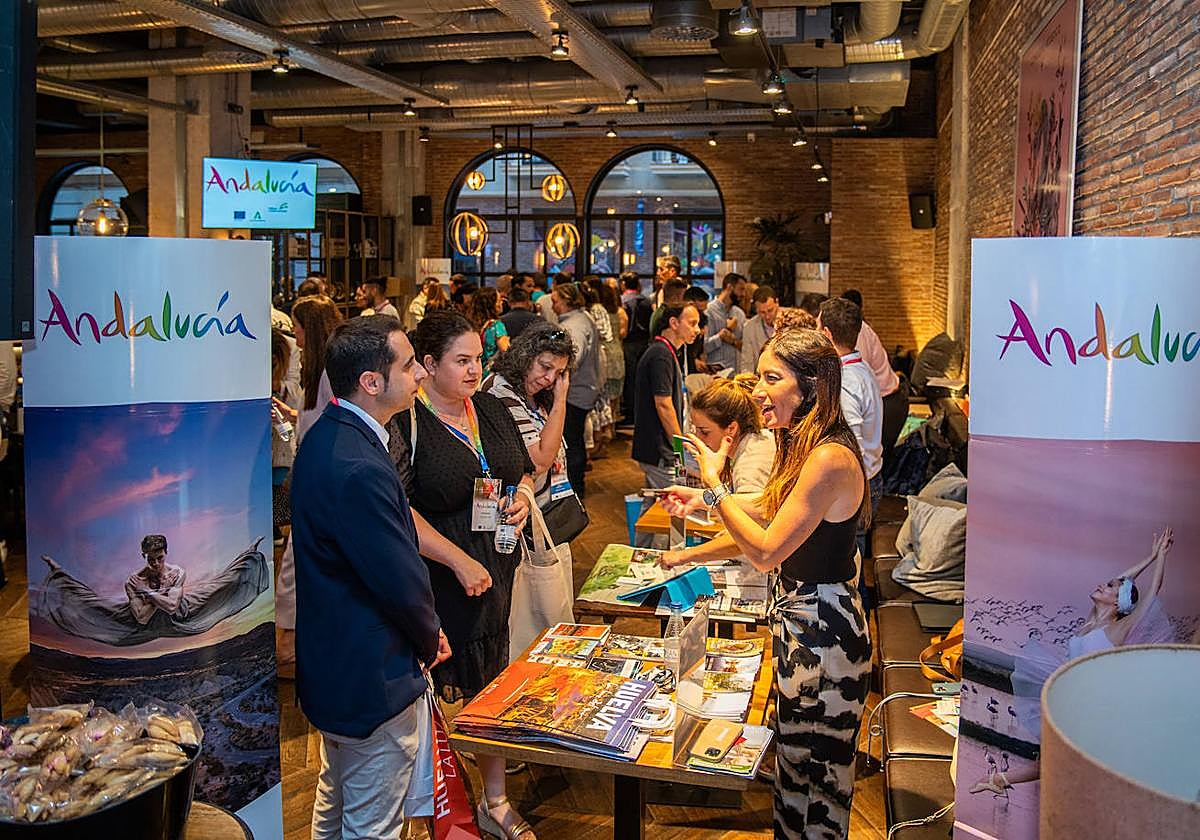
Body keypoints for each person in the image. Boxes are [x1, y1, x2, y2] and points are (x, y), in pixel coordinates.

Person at [658, 328, 872, 839]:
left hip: (825, 636)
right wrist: (703, 503)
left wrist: (714, 487)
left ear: (810, 385)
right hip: (805, 626)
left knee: (816, 781)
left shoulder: (829, 457)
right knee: (795, 766)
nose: (757, 391)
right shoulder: (805, 444)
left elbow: (765, 550)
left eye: (771, 378)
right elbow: (773, 510)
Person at [289, 315, 449, 839]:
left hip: (333, 664)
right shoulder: (358, 463)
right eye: (408, 365)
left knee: (335, 798)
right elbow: (397, 577)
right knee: (372, 824)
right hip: (370, 674)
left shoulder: (327, 434)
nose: (420, 374)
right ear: (371, 381)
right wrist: (429, 637)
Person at [396, 312, 537, 840]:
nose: (475, 370)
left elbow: (524, 469)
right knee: (425, 695)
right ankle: (426, 808)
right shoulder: (409, 421)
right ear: (428, 364)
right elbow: (398, 509)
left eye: (478, 358)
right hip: (437, 579)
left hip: (495, 569)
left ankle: (493, 801)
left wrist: (524, 497)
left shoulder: (491, 408)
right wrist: (456, 559)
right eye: (462, 361)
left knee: (491, 684)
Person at [979, 528, 1181, 797]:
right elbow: (1125, 582)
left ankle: (1001, 780)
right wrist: (1149, 557)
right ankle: (999, 780)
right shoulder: (1091, 622)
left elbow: (1151, 592)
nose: (1103, 585)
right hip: (1070, 695)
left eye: (1109, 587)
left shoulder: (1117, 630)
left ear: (1118, 603)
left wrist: (1161, 557)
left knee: (1061, 758)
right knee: (1055, 757)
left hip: (1092, 705)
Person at [273, 295, 342, 673]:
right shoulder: (318, 371)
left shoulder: (329, 371)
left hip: (319, 478)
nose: (294, 336)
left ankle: (289, 641)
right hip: (316, 474)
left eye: (298, 328)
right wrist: (291, 414)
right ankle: (292, 638)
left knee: (297, 558)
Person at [40, 535, 269, 647]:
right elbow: (141, 618)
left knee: (218, 586)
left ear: (166, 553)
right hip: (140, 626)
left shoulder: (177, 572)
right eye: (151, 559)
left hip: (182, 615)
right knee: (98, 606)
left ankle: (248, 556)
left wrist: (147, 594)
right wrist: (151, 592)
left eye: (160, 558)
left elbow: (172, 607)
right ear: (143, 556)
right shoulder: (133, 581)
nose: (156, 564)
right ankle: (60, 575)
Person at [656, 376, 776, 567]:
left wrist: (684, 556)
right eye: (695, 429)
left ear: (731, 429)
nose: (697, 438)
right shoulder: (751, 443)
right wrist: (699, 497)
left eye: (704, 431)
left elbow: (751, 534)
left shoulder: (752, 459)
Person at [483, 323, 575, 517]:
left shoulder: (535, 391)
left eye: (559, 373)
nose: (550, 378)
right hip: (518, 510)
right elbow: (539, 461)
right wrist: (560, 400)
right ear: (525, 356)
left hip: (544, 504)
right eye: (545, 367)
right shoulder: (501, 390)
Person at [819, 298, 883, 564]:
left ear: (826, 334)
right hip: (872, 475)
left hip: (858, 484)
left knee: (847, 561)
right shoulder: (862, 367)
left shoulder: (846, 381)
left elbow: (851, 446)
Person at [632, 303, 702, 538]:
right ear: (673, 323)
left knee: (653, 509)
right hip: (660, 450)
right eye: (692, 323)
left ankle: (641, 551)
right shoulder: (661, 354)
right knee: (669, 513)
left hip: (658, 448)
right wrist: (679, 447)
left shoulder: (664, 351)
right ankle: (662, 555)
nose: (697, 330)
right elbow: (663, 404)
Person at [841, 289, 907, 474]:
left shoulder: (857, 336)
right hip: (883, 399)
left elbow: (855, 377)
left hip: (889, 401)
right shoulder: (856, 331)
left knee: (872, 467)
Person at [551, 283, 603, 499]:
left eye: (555, 301)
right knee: (574, 440)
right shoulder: (582, 319)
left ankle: (574, 488)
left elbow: (573, 359)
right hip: (583, 389)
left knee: (571, 442)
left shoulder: (573, 326)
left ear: (566, 301)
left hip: (575, 392)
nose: (552, 306)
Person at [620, 271, 653, 426]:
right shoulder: (646, 301)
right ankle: (640, 411)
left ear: (623, 284)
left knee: (630, 378)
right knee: (642, 377)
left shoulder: (623, 301)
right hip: (645, 342)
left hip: (629, 343)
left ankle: (630, 412)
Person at [704, 273, 747, 373]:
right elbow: (703, 347)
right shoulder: (708, 311)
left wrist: (733, 340)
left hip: (736, 375)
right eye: (741, 289)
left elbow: (746, 347)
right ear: (729, 287)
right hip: (715, 375)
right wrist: (720, 336)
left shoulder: (740, 314)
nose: (744, 294)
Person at [466, 287, 510, 374]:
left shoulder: (469, 324)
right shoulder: (496, 326)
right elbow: (506, 351)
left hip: (472, 369)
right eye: (499, 300)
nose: (502, 302)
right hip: (490, 372)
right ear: (492, 305)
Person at [739, 285, 779, 374]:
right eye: (762, 312)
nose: (767, 316)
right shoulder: (749, 328)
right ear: (756, 309)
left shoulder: (791, 321)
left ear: (777, 303)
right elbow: (747, 363)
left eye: (770, 310)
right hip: (761, 377)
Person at [681, 285, 711, 373]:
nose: (697, 330)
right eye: (699, 310)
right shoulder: (681, 322)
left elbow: (700, 345)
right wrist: (693, 360)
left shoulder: (703, 319)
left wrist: (701, 359)